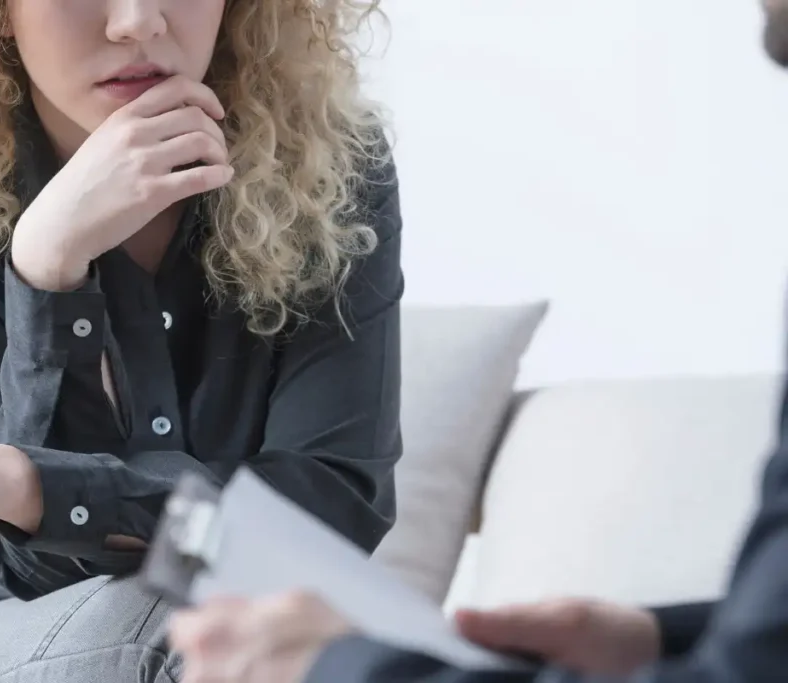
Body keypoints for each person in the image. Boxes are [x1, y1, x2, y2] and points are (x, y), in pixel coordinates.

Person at [0, 1, 404, 682]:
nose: (136, 22)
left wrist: (21, 482)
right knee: (199, 630)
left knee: (255, 631)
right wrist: (47, 263)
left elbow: (331, 523)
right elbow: (29, 563)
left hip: (235, 637)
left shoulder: (330, 166)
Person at [167, 2, 788, 682]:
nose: (135, 20)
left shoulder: (332, 166)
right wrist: (656, 639)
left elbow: (323, 500)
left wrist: (340, 668)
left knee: (163, 626)